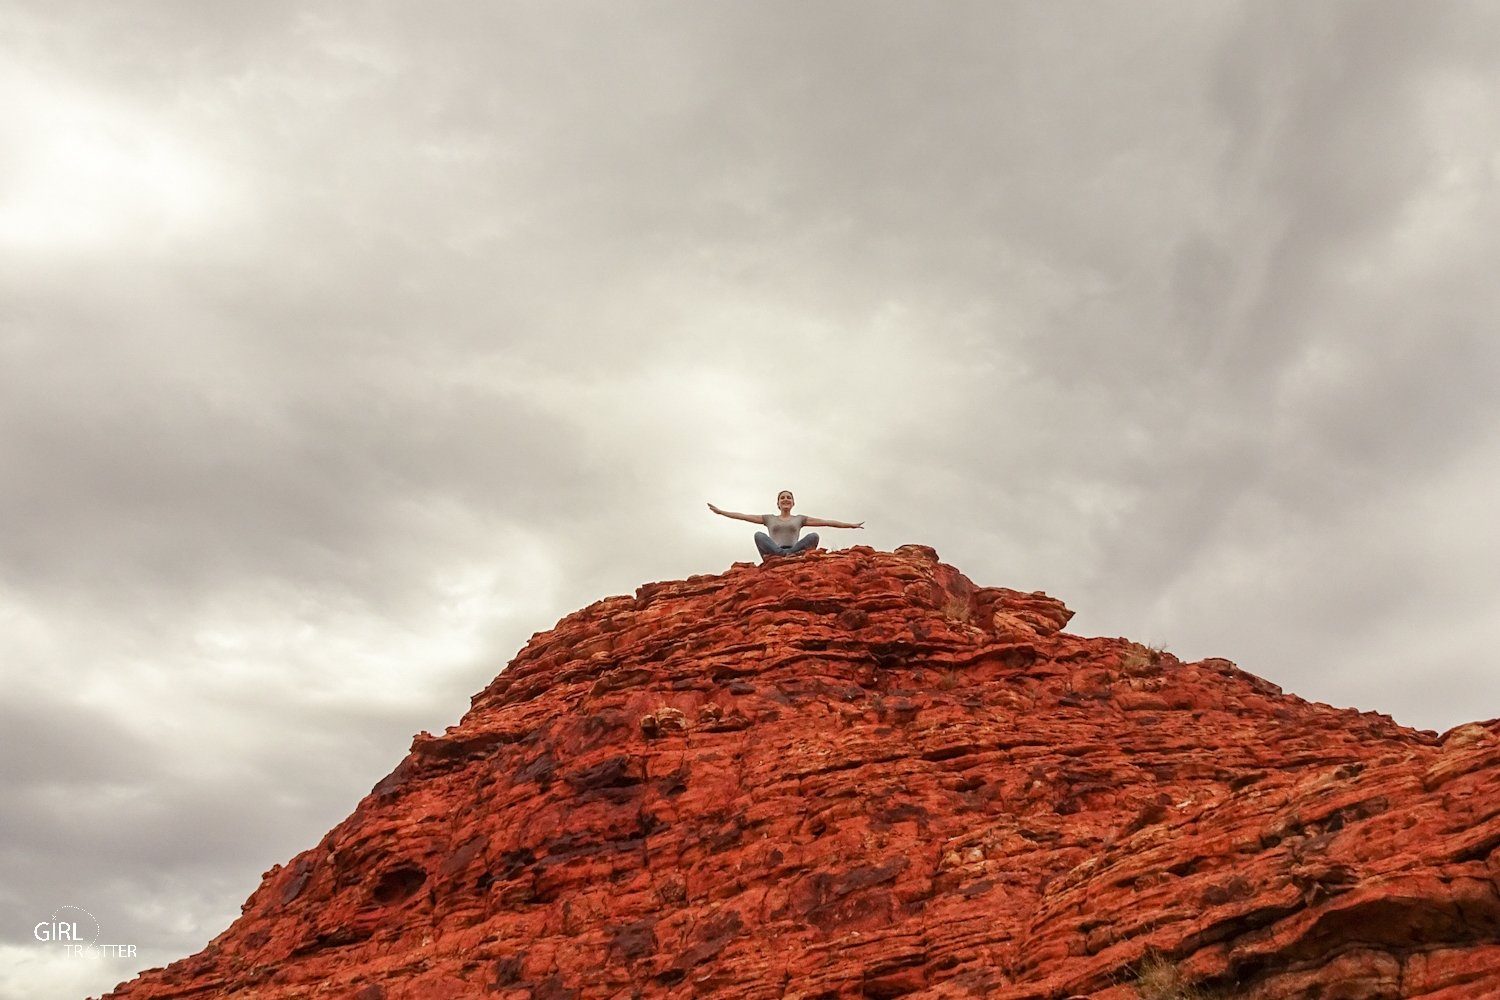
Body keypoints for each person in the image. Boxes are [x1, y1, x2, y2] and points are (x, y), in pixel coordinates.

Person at [707, 490, 865, 560]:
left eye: (789, 497)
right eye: (782, 498)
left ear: (793, 502)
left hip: (795, 550)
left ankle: (789, 556)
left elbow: (827, 522)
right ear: (778, 503)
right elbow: (743, 516)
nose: (785, 499)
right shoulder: (769, 518)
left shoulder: (800, 519)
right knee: (758, 535)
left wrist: (851, 525)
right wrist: (722, 512)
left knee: (814, 536)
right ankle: (783, 557)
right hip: (774, 552)